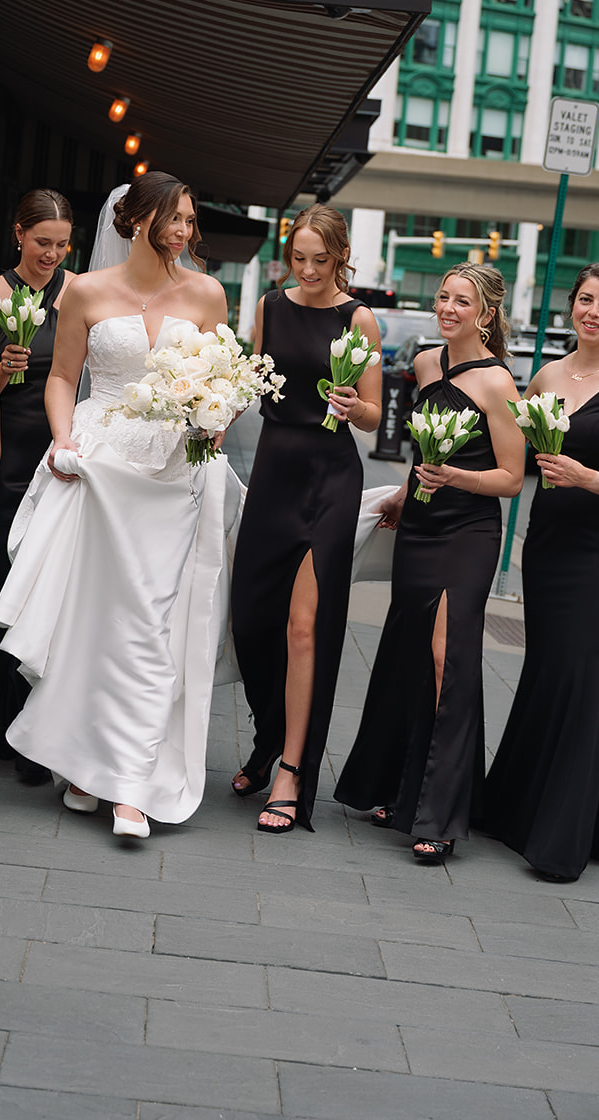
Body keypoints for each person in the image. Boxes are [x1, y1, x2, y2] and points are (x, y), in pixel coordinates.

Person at [0, 172, 238, 839]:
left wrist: (217, 420)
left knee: (151, 628)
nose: (182, 232)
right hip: (100, 465)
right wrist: (63, 438)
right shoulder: (87, 291)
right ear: (134, 221)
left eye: (189, 220)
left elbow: (224, 383)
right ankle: (82, 767)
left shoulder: (208, 294)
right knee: (94, 621)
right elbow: (63, 377)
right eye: (173, 220)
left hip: (171, 476)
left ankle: (130, 783)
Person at [479, 263, 599, 881]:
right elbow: (510, 445)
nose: (593, 312)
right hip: (550, 540)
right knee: (546, 666)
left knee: (584, 668)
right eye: (585, 300)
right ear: (572, 306)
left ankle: (563, 836)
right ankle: (515, 811)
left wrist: (590, 478)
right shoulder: (549, 375)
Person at [334, 264, 524, 863]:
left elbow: (513, 479)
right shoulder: (422, 363)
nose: (447, 307)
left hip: (467, 531)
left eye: (461, 301)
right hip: (419, 522)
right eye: (443, 297)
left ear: (486, 315)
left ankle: (441, 812)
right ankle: (401, 789)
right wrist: (400, 495)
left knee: (450, 656)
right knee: (410, 652)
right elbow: (422, 452)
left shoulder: (499, 383)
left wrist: (456, 478)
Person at [229, 205, 382, 833]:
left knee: (302, 628)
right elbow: (256, 383)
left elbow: (374, 414)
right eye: (301, 259)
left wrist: (354, 406)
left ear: (341, 257)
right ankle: (268, 739)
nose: (311, 270)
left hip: (330, 480)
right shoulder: (269, 306)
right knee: (252, 619)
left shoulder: (359, 317)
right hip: (273, 473)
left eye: (322, 260)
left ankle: (292, 770)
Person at [0, 188, 75, 775]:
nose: (52, 255)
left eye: (62, 245)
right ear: (18, 234)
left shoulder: (77, 291)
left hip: (58, 450)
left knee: (50, 592)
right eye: (43, 243)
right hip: (7, 449)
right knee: (0, 581)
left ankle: (36, 731)